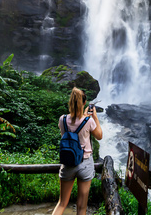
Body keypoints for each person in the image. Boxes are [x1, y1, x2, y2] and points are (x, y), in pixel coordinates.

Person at [52, 87, 103, 215]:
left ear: (70, 102)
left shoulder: (62, 119)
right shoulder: (89, 121)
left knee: (62, 203)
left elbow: (65, 134)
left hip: (67, 162)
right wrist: (94, 117)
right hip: (85, 163)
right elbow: (99, 136)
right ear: (84, 103)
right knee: (81, 207)